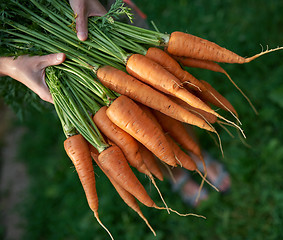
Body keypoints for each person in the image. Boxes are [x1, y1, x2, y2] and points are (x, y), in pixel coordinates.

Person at [0, 0, 231, 207]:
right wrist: (8, 66)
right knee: (139, 134)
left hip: (100, 15)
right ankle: (174, 169)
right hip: (49, 68)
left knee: (170, 97)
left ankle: (195, 153)